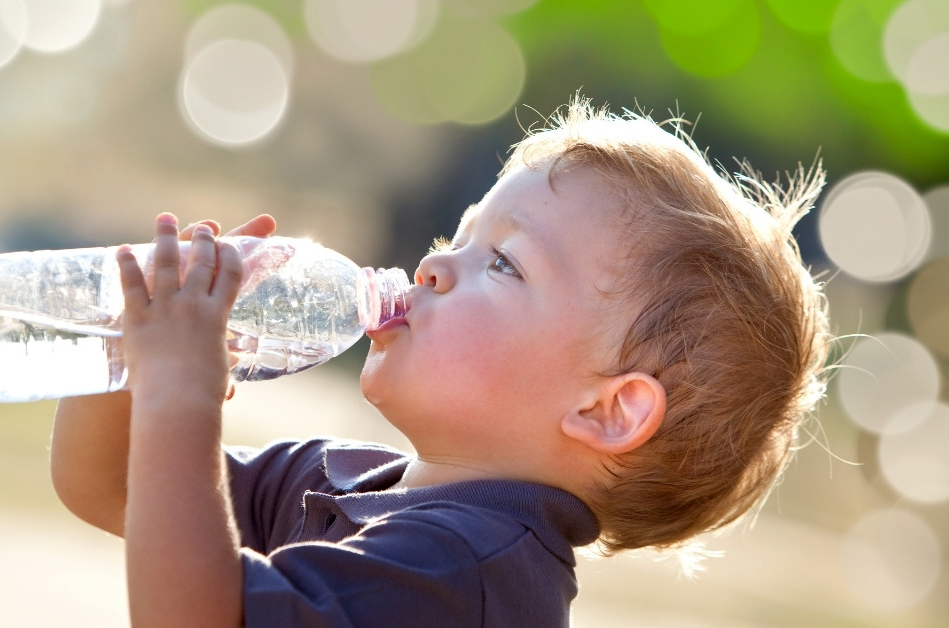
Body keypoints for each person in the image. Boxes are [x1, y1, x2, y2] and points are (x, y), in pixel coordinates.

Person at [49, 97, 831, 626]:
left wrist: (180, 395)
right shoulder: (346, 478)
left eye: (503, 264)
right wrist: (126, 345)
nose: (431, 267)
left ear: (606, 409)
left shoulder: (464, 573)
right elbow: (111, 483)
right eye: (457, 236)